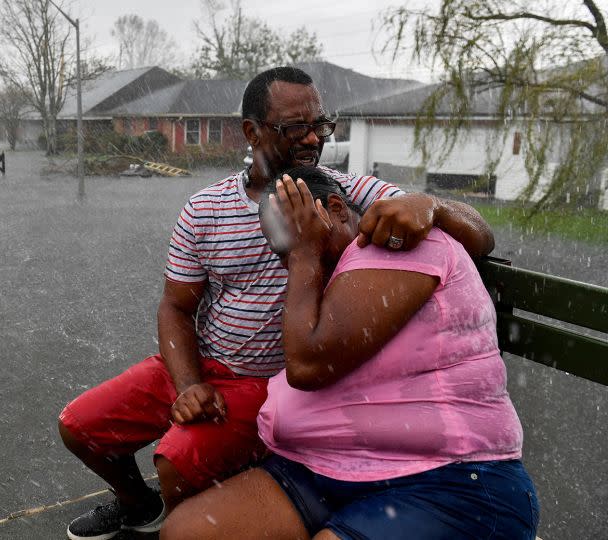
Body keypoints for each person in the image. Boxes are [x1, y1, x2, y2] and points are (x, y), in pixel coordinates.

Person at [57, 66, 496, 540]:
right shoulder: (205, 209)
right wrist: (187, 384)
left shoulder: (344, 191)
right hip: (198, 362)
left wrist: (432, 205)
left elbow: (480, 235)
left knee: (177, 460)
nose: (312, 139)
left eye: (320, 126)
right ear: (252, 131)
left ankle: (184, 511)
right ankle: (140, 506)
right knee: (80, 427)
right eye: (294, 128)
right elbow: (176, 307)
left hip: (263, 382)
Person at [160, 167, 538, 540]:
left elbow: (309, 364)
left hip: (448, 478)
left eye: (297, 239)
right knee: (187, 532)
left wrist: (305, 253)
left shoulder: (396, 245)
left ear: (338, 209)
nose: (288, 263)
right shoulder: (328, 270)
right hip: (321, 470)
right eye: (281, 251)